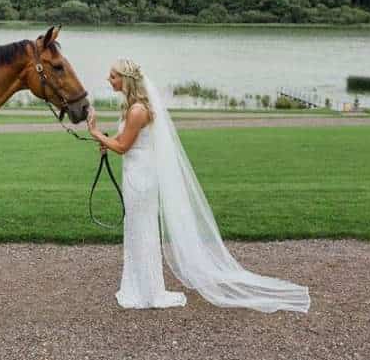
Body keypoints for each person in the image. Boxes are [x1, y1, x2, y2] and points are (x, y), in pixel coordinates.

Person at [86, 58, 310, 313]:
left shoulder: (137, 110)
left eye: (113, 76)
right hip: (135, 173)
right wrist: (106, 139)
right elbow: (123, 140)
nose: (109, 79)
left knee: (142, 228)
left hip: (141, 178)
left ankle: (146, 291)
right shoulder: (132, 107)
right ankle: (140, 285)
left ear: (126, 79)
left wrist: (95, 133)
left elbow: (124, 146)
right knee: (137, 228)